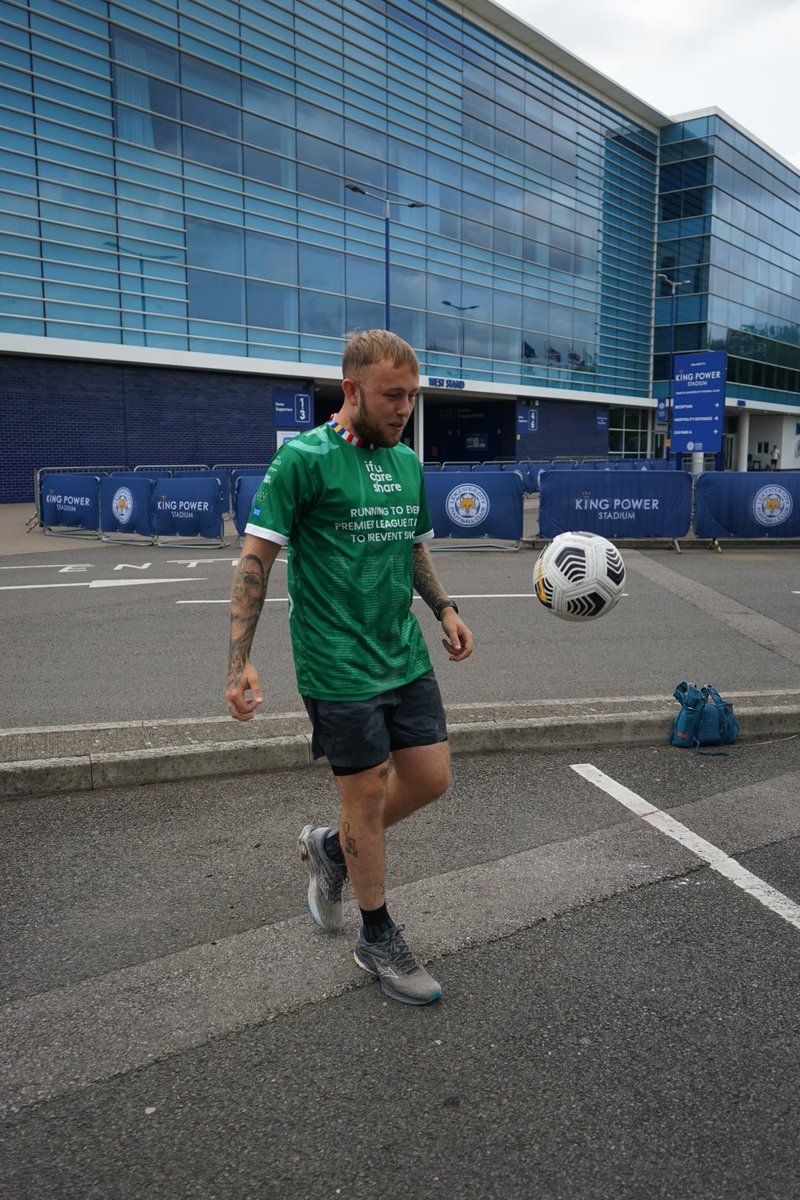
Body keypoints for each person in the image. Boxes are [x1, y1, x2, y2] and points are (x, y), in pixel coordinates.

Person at [225, 329, 474, 1006]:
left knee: (430, 779)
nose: (404, 409)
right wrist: (239, 661)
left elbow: (412, 545)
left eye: (411, 397)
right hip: (335, 663)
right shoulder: (303, 461)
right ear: (352, 389)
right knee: (364, 795)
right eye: (392, 396)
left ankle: (333, 850)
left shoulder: (408, 463)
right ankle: (377, 933)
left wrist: (444, 608)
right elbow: (255, 561)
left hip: (402, 653)